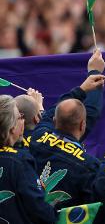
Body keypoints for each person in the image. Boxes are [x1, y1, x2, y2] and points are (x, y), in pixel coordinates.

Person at [29, 50, 105, 209]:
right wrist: (95, 73)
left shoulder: (38, 137)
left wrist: (83, 88)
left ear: (55, 121)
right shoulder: (91, 166)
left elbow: (48, 116)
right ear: (82, 125)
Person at [0, 95, 57, 223]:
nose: (23, 121)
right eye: (20, 117)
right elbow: (39, 208)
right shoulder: (20, 161)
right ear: (11, 127)